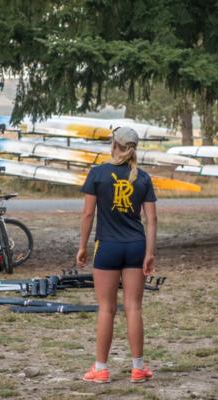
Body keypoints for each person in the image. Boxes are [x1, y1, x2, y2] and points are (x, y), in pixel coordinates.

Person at [76, 127, 157, 384]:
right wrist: (150, 252)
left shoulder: (98, 174)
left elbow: (88, 214)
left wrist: (82, 246)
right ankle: (138, 368)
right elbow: (152, 219)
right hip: (136, 245)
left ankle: (100, 369)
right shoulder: (143, 177)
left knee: (106, 309)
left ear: (114, 145)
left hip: (107, 246)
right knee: (134, 307)